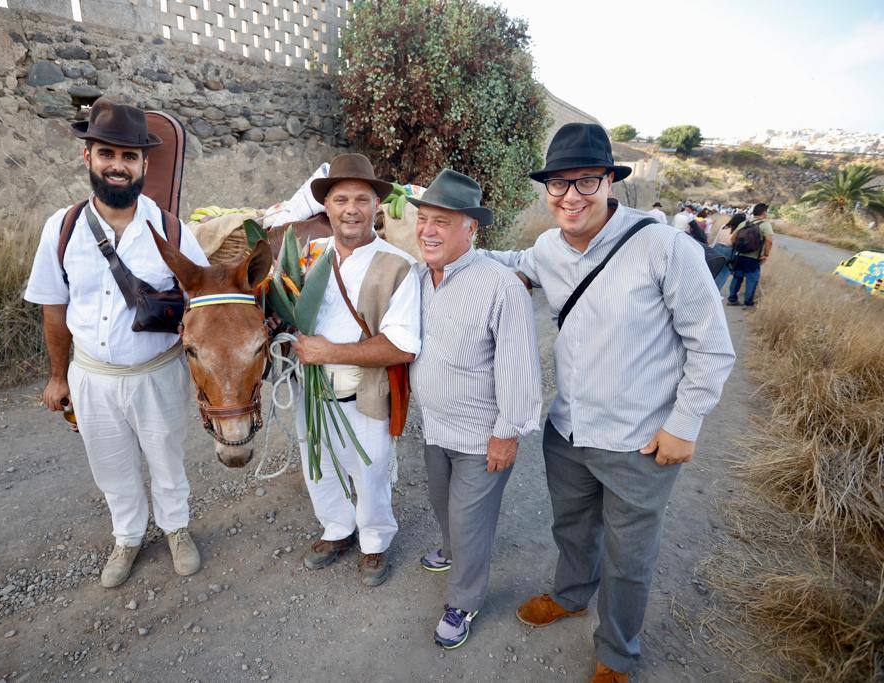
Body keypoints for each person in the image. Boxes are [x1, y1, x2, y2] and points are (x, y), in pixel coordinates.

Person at [480, 123, 735, 682]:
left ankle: (617, 654)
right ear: (546, 190)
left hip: (640, 443)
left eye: (586, 181)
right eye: (558, 184)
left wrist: (684, 425)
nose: (571, 195)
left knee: (629, 559)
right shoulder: (547, 248)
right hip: (568, 432)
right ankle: (571, 595)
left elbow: (712, 348)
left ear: (610, 182)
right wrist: (444, 249)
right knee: (572, 530)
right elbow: (509, 263)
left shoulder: (665, 248)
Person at [24, 99, 209, 588]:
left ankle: (176, 529)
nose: (118, 165)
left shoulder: (171, 230)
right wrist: (58, 376)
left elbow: (204, 304)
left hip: (158, 373)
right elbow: (53, 307)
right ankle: (127, 537)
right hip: (92, 378)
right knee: (110, 464)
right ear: (88, 157)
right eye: (107, 154)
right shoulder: (61, 229)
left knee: (167, 457)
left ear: (145, 164)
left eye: (129, 157)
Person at [408, 170, 543, 649]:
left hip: (483, 437)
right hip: (435, 428)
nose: (428, 230)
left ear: (471, 229)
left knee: (470, 521)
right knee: (443, 505)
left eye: (442, 221)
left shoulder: (499, 285)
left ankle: (463, 600)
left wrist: (507, 432)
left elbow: (518, 367)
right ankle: (450, 550)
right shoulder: (419, 277)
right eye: (423, 218)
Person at [291, 153, 421, 587]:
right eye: (341, 198)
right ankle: (337, 529)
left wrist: (329, 352)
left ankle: (375, 542)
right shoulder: (308, 256)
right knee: (318, 466)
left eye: (362, 199)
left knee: (371, 471)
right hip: (310, 391)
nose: (351, 209)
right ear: (326, 207)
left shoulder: (397, 265)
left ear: (376, 208)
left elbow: (402, 346)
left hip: (364, 394)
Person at [727, 203, 774, 307]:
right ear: (764, 213)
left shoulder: (744, 223)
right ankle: (748, 303)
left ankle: (732, 299)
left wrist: (739, 248)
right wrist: (766, 255)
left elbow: (732, 239)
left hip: (739, 256)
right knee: (752, 279)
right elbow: (769, 241)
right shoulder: (765, 224)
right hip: (753, 258)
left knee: (737, 277)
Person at [712, 213, 746, 293]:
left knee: (713, 272)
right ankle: (715, 293)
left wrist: (712, 248)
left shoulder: (724, 226)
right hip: (728, 250)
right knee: (724, 273)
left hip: (717, 248)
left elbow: (716, 239)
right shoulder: (738, 230)